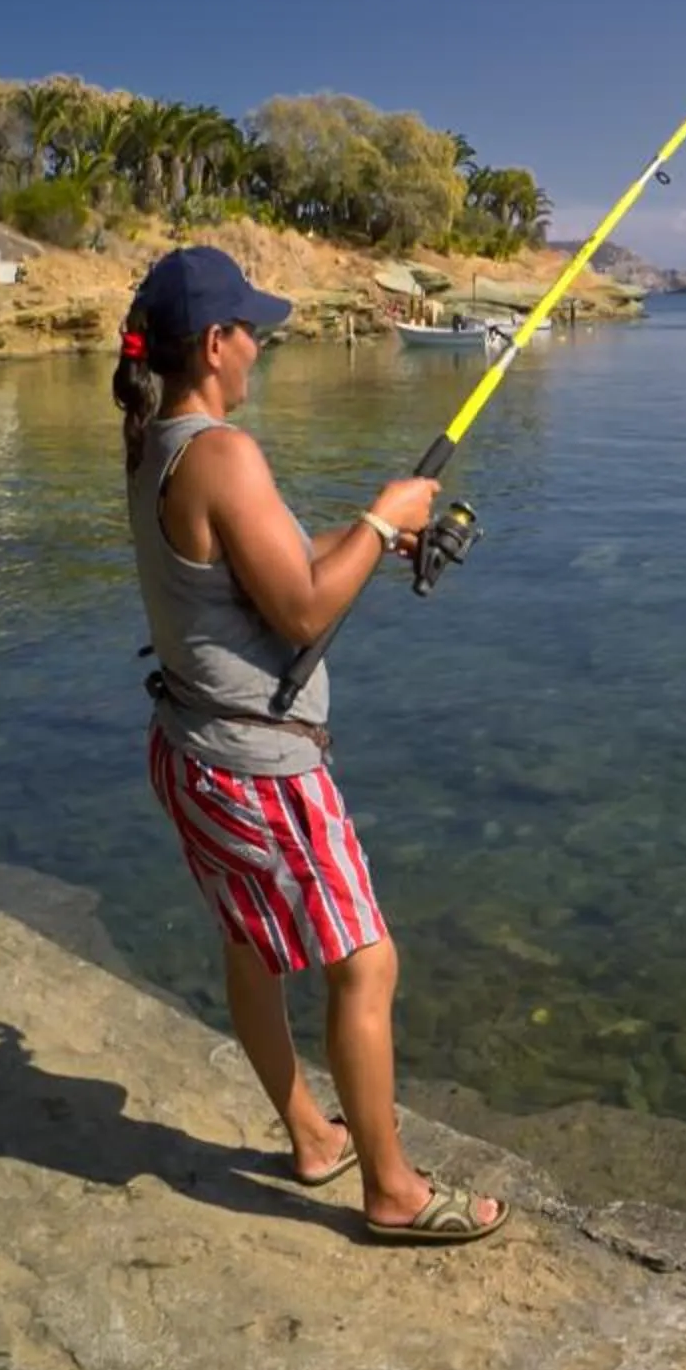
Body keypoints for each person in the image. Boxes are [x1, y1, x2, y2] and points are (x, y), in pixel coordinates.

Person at [114, 247, 507, 1246]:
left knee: (252, 946)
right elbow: (297, 608)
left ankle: (312, 1133)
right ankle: (392, 1188)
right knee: (366, 966)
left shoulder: (157, 443)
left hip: (192, 748)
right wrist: (382, 516)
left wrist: (373, 536)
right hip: (260, 770)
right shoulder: (222, 453)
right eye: (252, 332)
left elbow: (264, 565)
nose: (262, 347)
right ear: (214, 344)